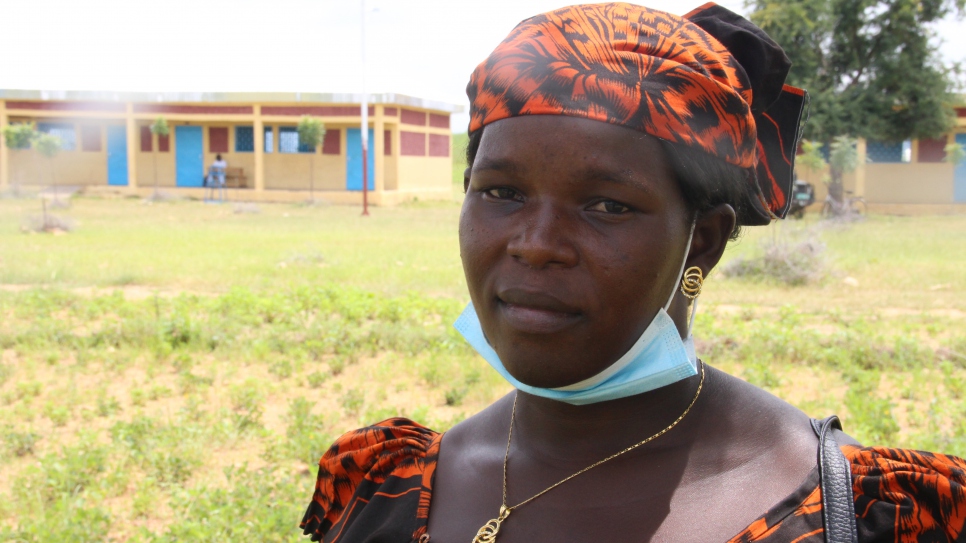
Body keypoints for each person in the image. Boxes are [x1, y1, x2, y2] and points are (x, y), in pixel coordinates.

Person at [301, 4, 966, 542]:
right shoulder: (386, 487)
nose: (536, 245)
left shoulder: (866, 511)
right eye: (501, 192)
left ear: (702, 241)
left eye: (607, 205)